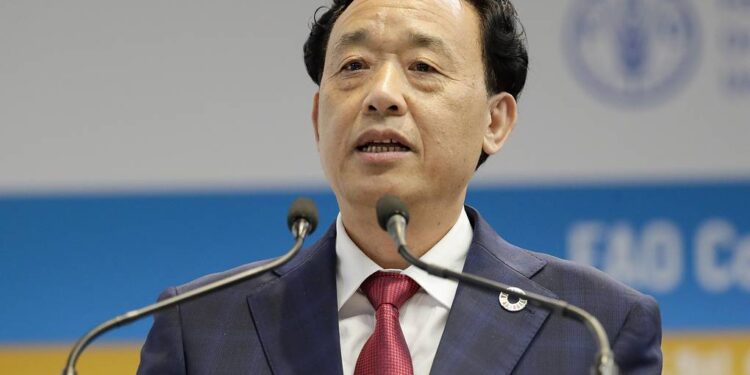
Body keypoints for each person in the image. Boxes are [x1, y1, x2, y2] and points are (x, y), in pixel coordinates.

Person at [137, 0, 662, 374]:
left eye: (423, 67)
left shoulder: (594, 325)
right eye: (354, 66)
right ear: (320, 118)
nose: (381, 94)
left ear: (495, 121)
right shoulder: (199, 326)